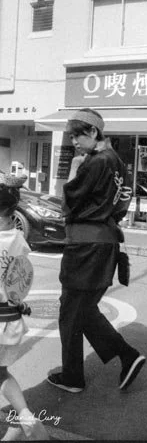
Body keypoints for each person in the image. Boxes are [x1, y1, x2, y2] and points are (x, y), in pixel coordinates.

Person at [48, 108, 145, 393]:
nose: (74, 142)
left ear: (93, 132)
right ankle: (123, 357)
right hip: (106, 242)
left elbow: (69, 202)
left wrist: (74, 169)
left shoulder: (94, 162)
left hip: (85, 245)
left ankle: (78, 375)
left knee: (71, 310)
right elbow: (122, 204)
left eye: (77, 136)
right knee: (84, 310)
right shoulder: (117, 162)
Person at [0, 172, 49, 439]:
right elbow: (20, 281)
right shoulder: (19, 240)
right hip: (9, 320)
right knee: (1, 372)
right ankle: (26, 418)